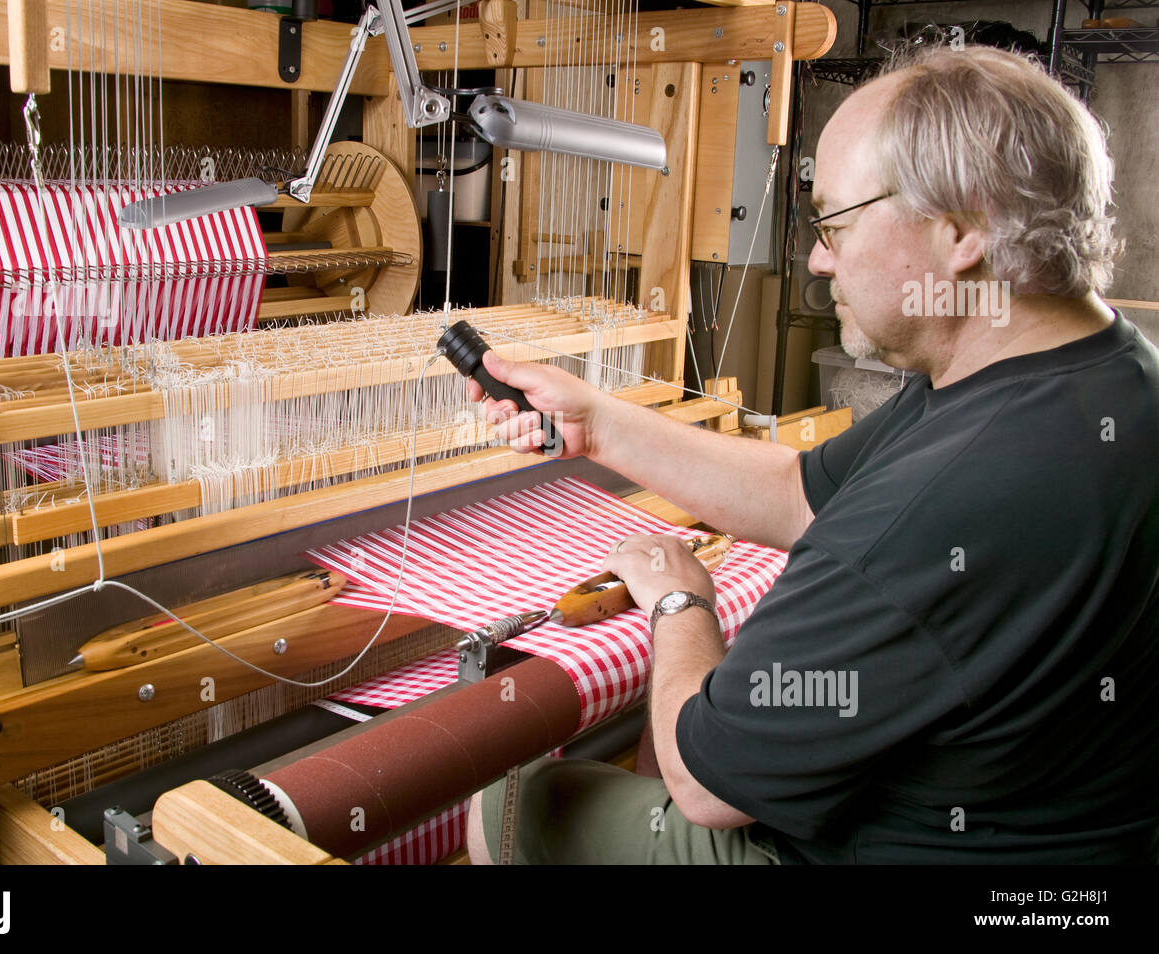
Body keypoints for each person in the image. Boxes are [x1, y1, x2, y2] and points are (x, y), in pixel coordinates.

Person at [463, 45, 1159, 864]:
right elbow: (800, 493)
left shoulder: (945, 501)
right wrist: (599, 424)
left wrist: (679, 604)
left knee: (515, 798)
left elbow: (704, 782)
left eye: (834, 221)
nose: (819, 257)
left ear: (961, 231)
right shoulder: (1101, 371)